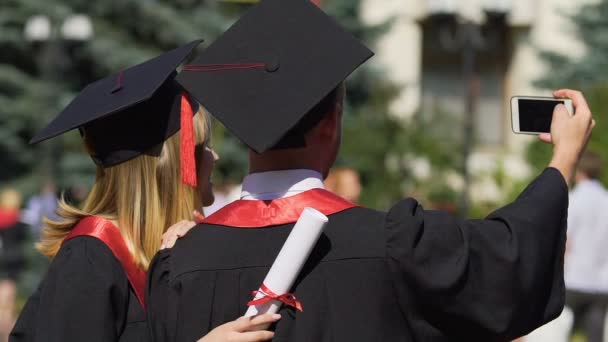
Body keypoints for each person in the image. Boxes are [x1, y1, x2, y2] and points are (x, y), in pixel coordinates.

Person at [147, 0, 595, 340]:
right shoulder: (392, 243)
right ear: (331, 121)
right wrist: (562, 160)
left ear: (242, 133)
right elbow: (508, 258)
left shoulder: (181, 259)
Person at [10, 41, 279, 342]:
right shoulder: (90, 258)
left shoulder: (181, 246)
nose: (214, 158)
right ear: (174, 165)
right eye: (202, 147)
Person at [563, 151, 608, 342]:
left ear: (578, 171)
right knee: (595, 334)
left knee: (562, 331)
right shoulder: (606, 200)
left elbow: (566, 239)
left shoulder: (574, 199)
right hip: (601, 280)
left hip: (574, 277)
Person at [0, 188, 27, 342]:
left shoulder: (1, 218)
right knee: (10, 292)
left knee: (4, 290)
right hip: (15, 258)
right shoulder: (18, 221)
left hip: (3, 258)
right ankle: (6, 325)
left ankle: (3, 321)